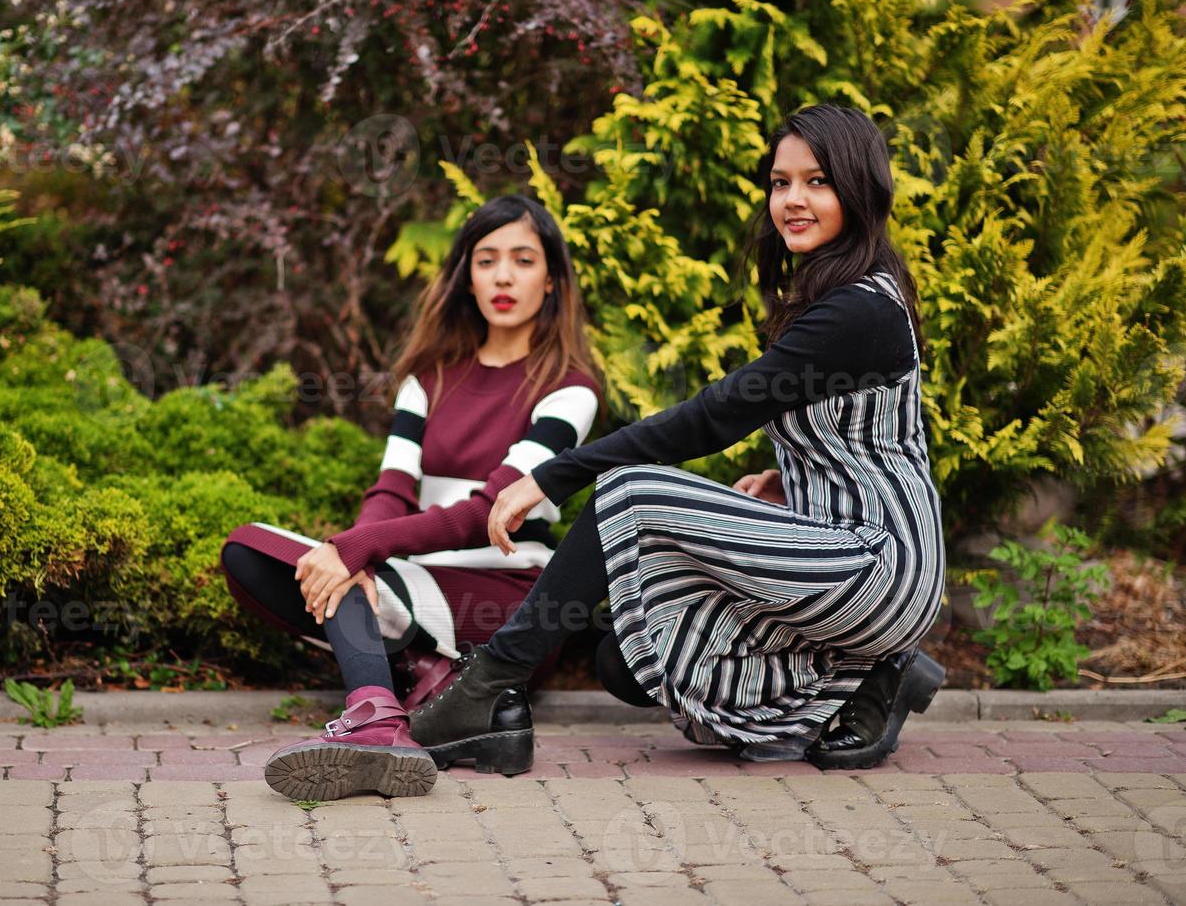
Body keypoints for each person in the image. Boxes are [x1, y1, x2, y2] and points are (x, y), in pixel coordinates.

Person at [409, 103, 947, 773]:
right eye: (779, 183)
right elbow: (875, 434)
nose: (792, 200)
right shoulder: (834, 298)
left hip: (879, 565)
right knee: (625, 664)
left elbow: (710, 418)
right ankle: (871, 673)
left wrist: (553, 474)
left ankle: (487, 688)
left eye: (816, 181)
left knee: (626, 493)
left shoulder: (856, 308)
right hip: (841, 556)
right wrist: (796, 475)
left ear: (858, 188)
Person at [219, 194, 603, 800]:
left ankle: (376, 714)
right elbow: (391, 492)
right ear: (465, 277)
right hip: (416, 584)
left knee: (345, 569)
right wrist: (361, 555)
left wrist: (356, 550)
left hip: (507, 596)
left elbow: (490, 513)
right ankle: (412, 687)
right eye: (487, 260)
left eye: (523, 260)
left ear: (551, 280)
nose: (503, 275)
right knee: (247, 549)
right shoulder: (425, 381)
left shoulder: (569, 390)